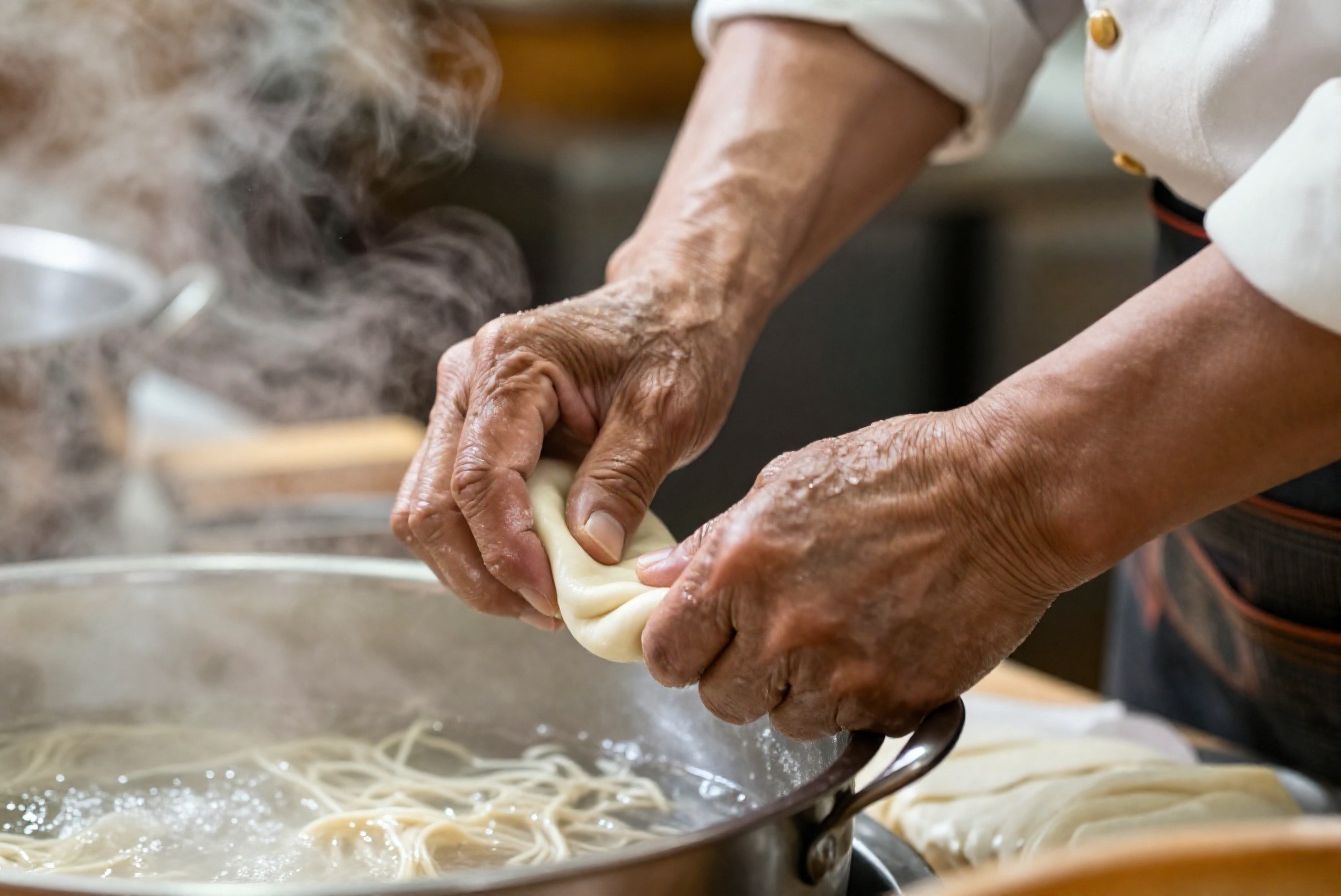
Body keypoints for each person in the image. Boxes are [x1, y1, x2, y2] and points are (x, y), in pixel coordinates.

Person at [392, 1, 1341, 783]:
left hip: (1259, 358)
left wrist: (1003, 492)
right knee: (1225, 832)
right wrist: (677, 287)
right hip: (1215, 411)